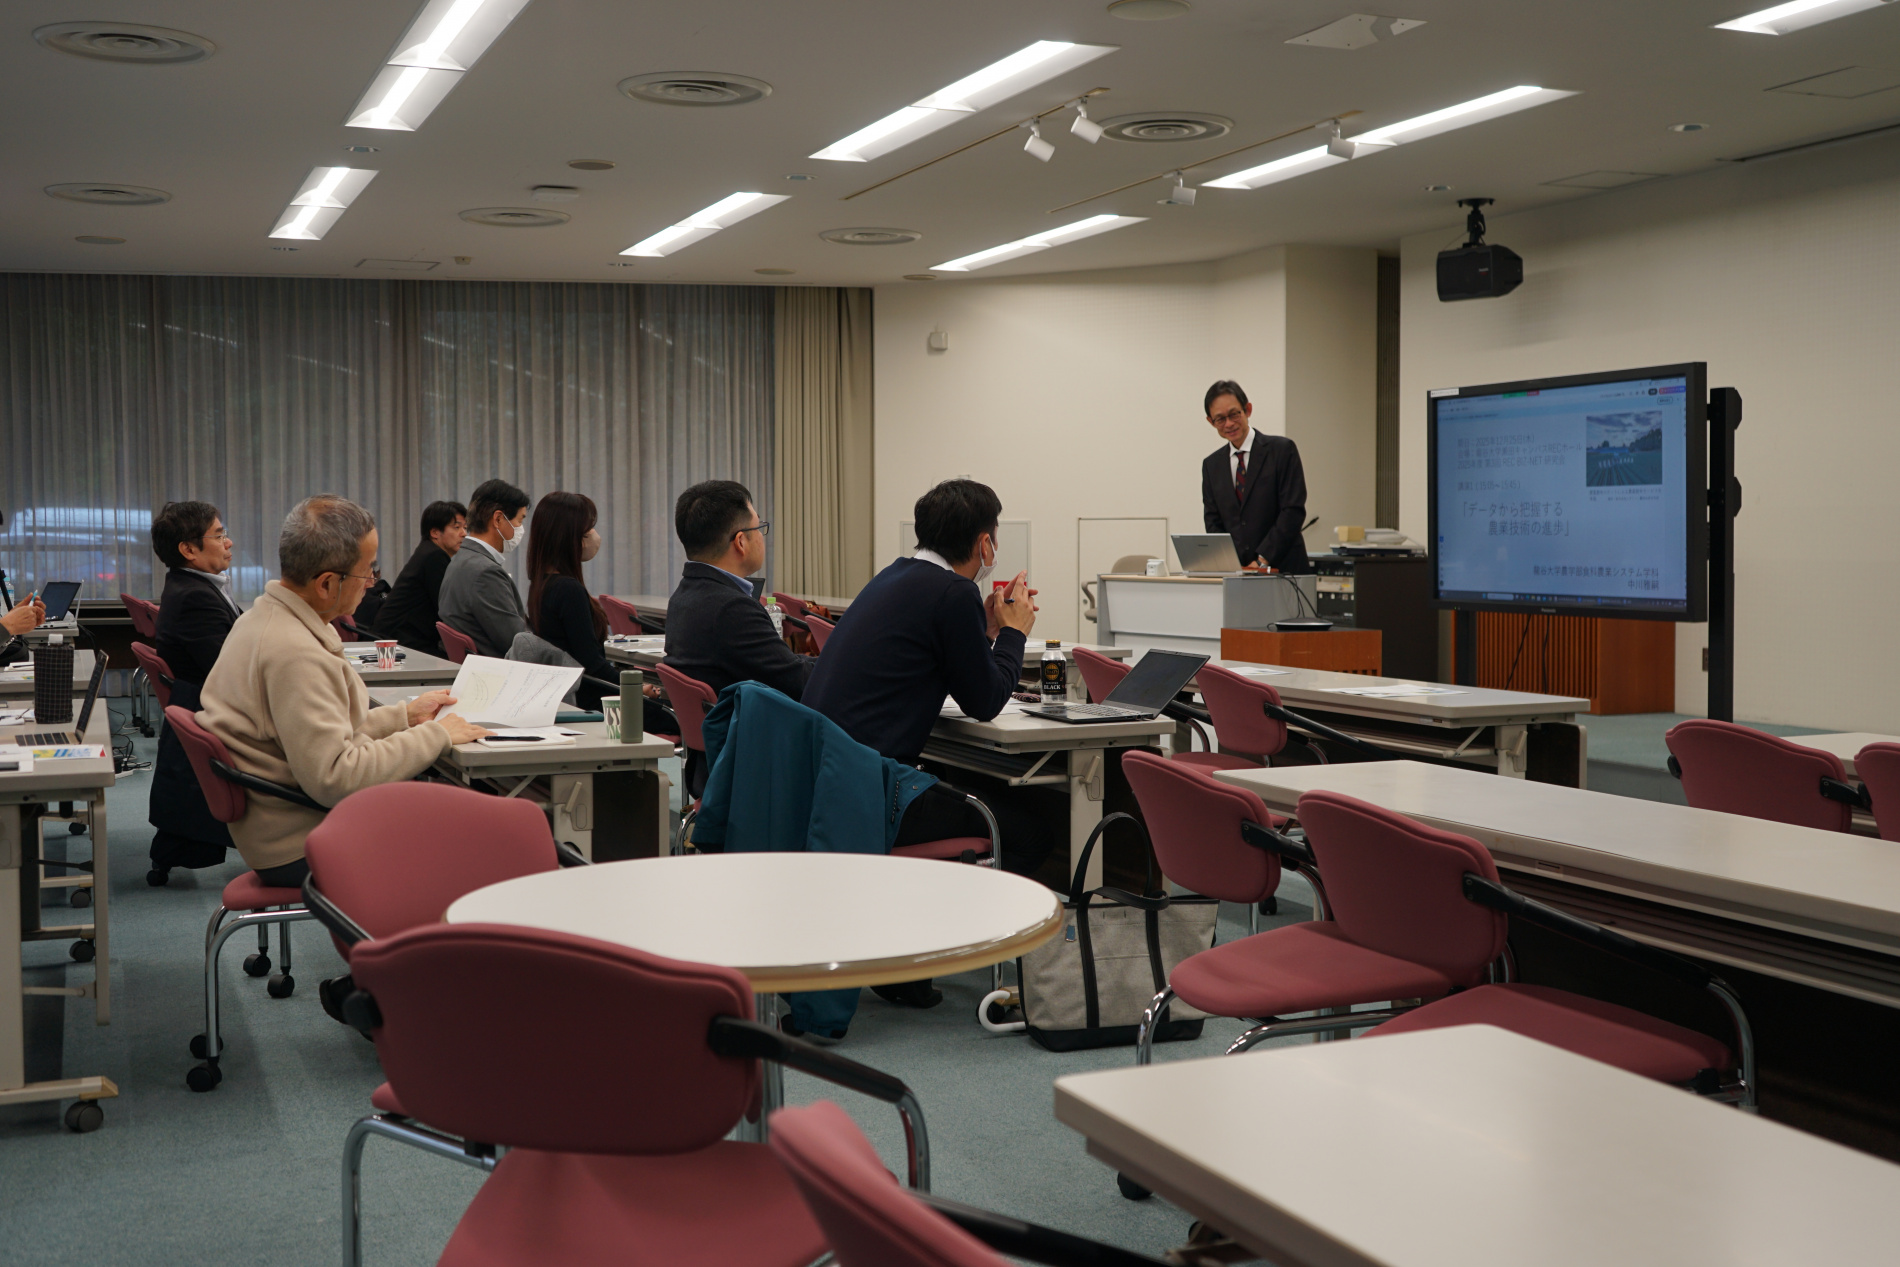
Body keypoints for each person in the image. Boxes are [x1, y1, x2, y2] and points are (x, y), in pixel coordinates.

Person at [802, 479, 1048, 1015]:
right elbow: (985, 700)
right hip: (875, 790)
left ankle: (906, 962)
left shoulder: (896, 576)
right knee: (1032, 829)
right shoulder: (953, 593)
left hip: (834, 780)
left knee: (972, 794)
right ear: (984, 544)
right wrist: (1013, 633)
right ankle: (970, 958)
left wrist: (983, 628)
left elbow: (937, 655)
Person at [199, 495, 488, 888]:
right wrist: (435, 735)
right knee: (481, 834)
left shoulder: (263, 619)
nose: (372, 583)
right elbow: (337, 777)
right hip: (303, 840)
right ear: (327, 584)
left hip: (286, 823)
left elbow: (326, 732)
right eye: (367, 571)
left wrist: (405, 716)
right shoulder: (294, 653)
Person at [662, 481, 814, 789]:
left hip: (717, 763)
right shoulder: (729, 607)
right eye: (760, 528)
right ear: (741, 541)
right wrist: (846, 660)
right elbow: (796, 682)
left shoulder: (686, 595)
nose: (762, 538)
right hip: (755, 768)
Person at [147, 500, 244, 880]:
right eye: (219, 535)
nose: (228, 542)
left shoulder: (193, 586)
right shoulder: (195, 597)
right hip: (218, 712)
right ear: (188, 549)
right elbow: (230, 672)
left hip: (202, 706)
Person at [525, 490, 676, 732]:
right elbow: (592, 664)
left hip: (575, 694)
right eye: (588, 529)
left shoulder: (541, 582)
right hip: (595, 701)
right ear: (570, 537)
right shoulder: (568, 590)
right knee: (680, 719)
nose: (595, 536)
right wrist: (634, 687)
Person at [1199, 379, 1312, 574]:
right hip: (1238, 574)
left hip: (1284, 570)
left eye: (1234, 414)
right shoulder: (1211, 465)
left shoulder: (1282, 450)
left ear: (1248, 410)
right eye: (1220, 419)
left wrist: (1262, 559)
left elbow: (1292, 511)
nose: (1229, 424)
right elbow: (1213, 522)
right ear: (1211, 421)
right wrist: (1231, 563)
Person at [437, 479, 531, 658]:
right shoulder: (485, 572)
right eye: (519, 520)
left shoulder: (461, 560)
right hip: (499, 669)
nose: (521, 529)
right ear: (498, 519)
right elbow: (519, 644)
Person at [372, 500, 466, 655]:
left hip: (401, 639)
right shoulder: (434, 557)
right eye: (457, 527)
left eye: (465, 527)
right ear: (435, 532)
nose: (463, 533)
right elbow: (447, 609)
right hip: (400, 645)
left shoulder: (428, 552)